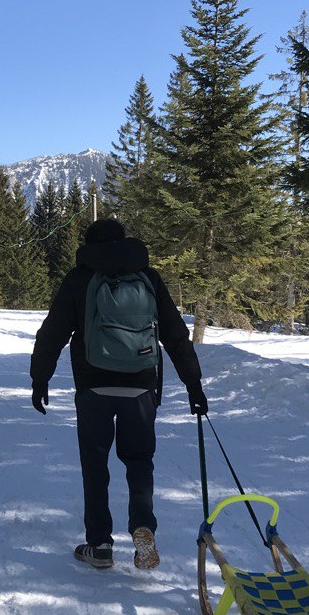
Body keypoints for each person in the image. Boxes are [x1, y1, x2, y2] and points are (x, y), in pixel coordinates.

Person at [29, 218, 207, 570]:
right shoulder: (149, 277)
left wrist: (40, 378)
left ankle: (99, 545)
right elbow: (174, 334)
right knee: (139, 462)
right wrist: (193, 384)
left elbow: (53, 332)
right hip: (140, 387)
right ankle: (142, 525)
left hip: (93, 387)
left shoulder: (80, 278)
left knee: (95, 467)